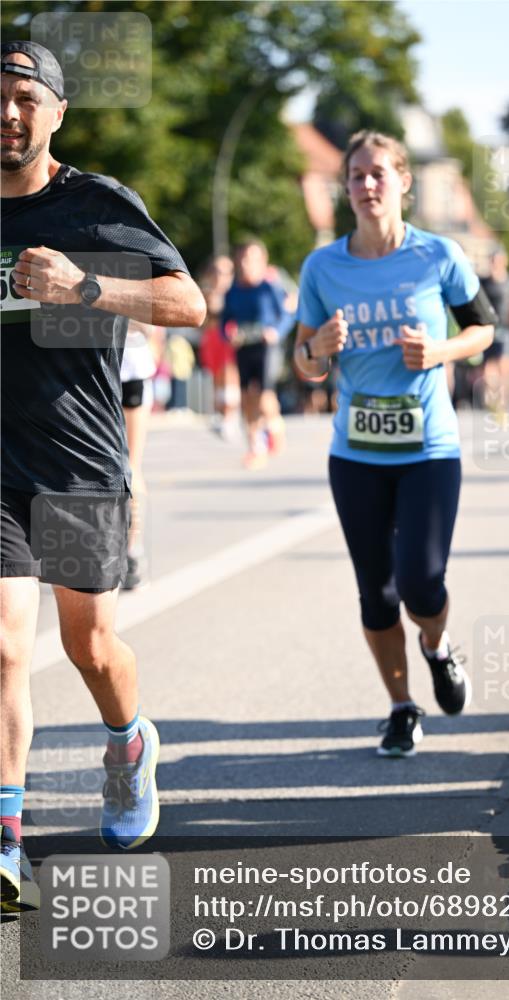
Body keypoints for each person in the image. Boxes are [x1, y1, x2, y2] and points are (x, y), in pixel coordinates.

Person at [0, 41, 206, 910]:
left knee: (88, 648)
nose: (6, 113)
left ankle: (127, 742)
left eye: (21, 97)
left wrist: (86, 287)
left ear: (55, 113)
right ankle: (7, 838)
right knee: (4, 646)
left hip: (78, 463)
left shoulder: (95, 205)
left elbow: (188, 305)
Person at [294, 130, 496, 757]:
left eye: (379, 173)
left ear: (404, 181)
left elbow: (484, 329)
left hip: (429, 449)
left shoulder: (438, 255)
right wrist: (316, 351)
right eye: (356, 175)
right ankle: (402, 707)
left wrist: (439, 351)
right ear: (346, 187)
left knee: (422, 584)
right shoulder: (323, 267)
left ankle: (436, 647)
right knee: (376, 593)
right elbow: (304, 362)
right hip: (355, 454)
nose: (367, 185)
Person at [221, 239, 295, 469]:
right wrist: (229, 335)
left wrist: (276, 332)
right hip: (244, 345)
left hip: (267, 346)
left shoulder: (270, 286)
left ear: (262, 262)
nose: (246, 263)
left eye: (251, 259)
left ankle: (274, 426)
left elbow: (287, 315)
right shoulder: (232, 291)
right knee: (246, 396)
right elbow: (225, 322)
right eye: (242, 258)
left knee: (264, 396)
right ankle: (255, 447)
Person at [120, 320, 161, 590]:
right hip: (87, 372)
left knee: (130, 466)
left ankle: (133, 551)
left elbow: (153, 325)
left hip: (130, 368)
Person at [198, 254, 240, 439]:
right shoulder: (205, 294)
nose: (220, 276)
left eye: (225, 272)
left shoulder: (235, 293)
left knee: (229, 375)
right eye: (216, 271)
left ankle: (231, 415)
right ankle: (220, 412)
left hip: (228, 335)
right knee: (216, 376)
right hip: (211, 337)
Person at [480, 245, 509, 418]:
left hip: (508, 329)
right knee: (488, 368)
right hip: (489, 328)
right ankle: (491, 401)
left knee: (505, 367)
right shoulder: (483, 282)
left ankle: (505, 403)